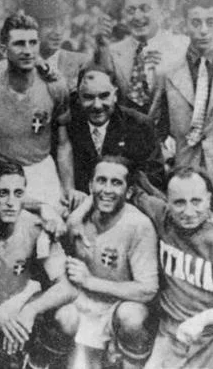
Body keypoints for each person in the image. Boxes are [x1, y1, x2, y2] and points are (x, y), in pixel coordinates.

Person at [0, 162, 77, 369]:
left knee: (69, 316)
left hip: (21, 312)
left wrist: (31, 310)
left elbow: (68, 288)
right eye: (3, 193)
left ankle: (36, 361)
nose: (11, 202)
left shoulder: (35, 226)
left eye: (18, 193)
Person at [121, 167, 213, 369]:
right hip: (171, 335)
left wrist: (204, 319)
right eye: (179, 203)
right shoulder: (162, 215)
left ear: (209, 199)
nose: (189, 212)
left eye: (196, 201)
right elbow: (126, 189)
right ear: (167, 201)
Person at [0, 12, 79, 208]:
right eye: (19, 44)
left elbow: (63, 143)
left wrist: (68, 187)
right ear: (4, 49)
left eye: (33, 43)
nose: (28, 51)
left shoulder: (55, 86)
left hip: (40, 173)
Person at [60, 156, 159, 369]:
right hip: (83, 306)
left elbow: (148, 290)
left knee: (133, 316)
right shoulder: (79, 218)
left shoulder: (138, 225)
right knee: (64, 317)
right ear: (90, 186)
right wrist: (73, 218)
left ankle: (129, 361)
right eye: (101, 181)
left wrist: (90, 281)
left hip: (116, 307)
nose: (107, 189)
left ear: (129, 192)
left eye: (116, 183)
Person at [163, 0, 213, 224]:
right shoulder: (169, 74)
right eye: (196, 23)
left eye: (210, 22)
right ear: (185, 26)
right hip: (187, 187)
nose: (203, 30)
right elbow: (155, 127)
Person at [96, 0, 188, 125]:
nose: (137, 16)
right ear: (123, 15)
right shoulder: (113, 52)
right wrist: (101, 47)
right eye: (131, 11)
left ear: (160, 11)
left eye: (145, 9)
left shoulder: (181, 46)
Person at [68, 65, 164, 192]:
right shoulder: (68, 126)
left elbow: (155, 176)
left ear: (115, 95)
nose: (97, 105)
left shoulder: (139, 125)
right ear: (78, 97)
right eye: (88, 97)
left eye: (104, 96)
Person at [10, 0, 90, 92]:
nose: (58, 32)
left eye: (61, 24)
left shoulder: (81, 64)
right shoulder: (15, 66)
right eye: (49, 25)